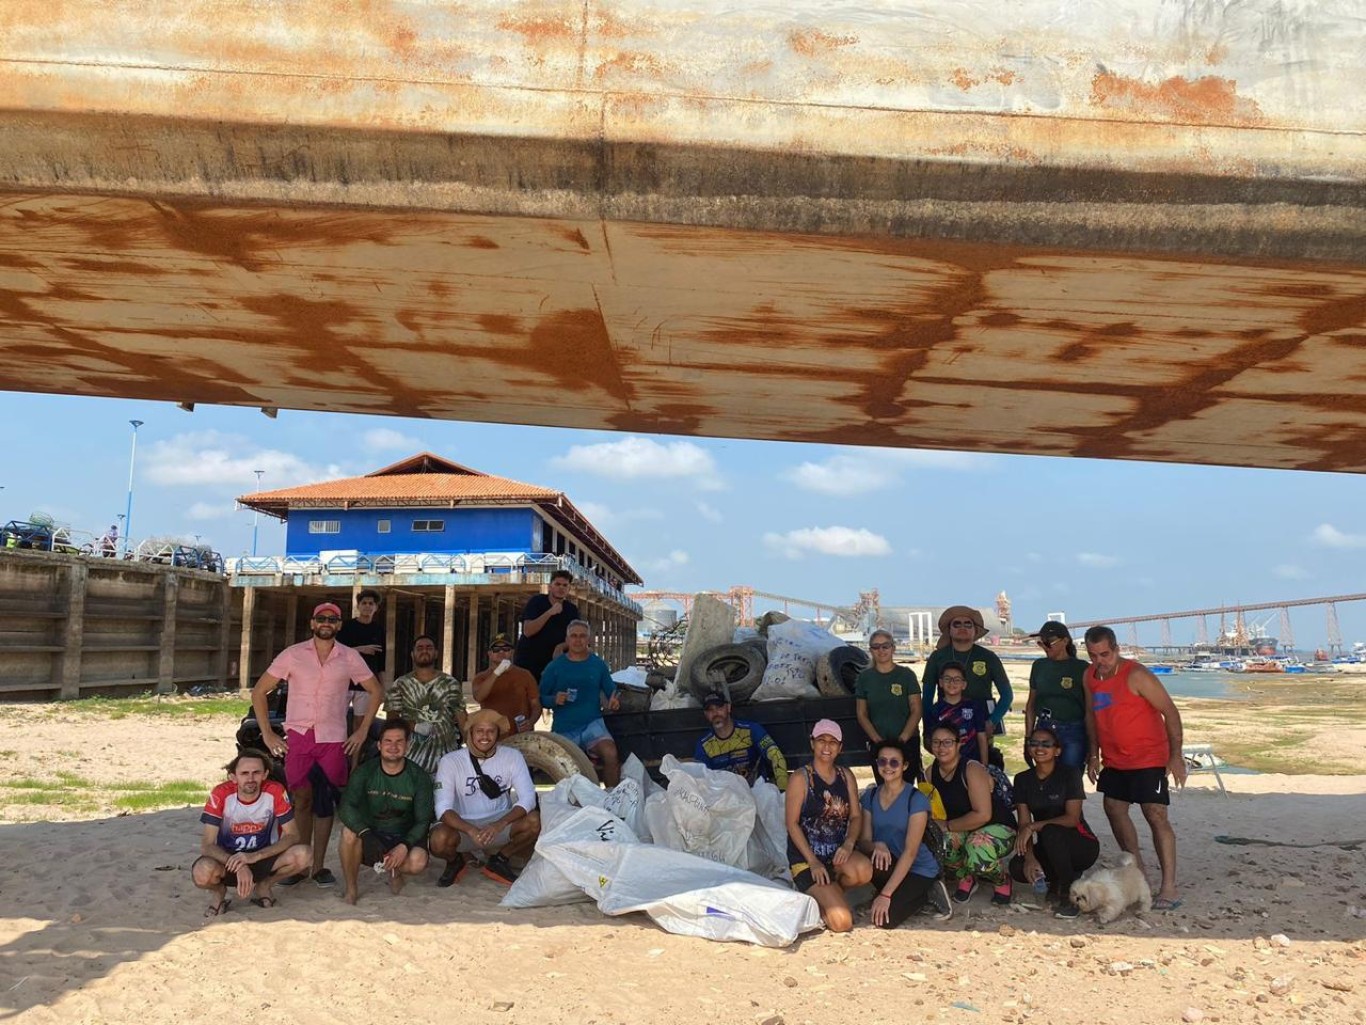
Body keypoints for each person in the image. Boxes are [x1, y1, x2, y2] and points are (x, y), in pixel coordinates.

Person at [251, 601, 383, 887]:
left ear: (338, 625)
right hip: (299, 737)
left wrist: (360, 733)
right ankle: (301, 863)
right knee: (301, 799)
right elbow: (260, 691)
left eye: (332, 619)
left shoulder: (349, 657)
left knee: (325, 802)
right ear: (312, 623)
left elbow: (376, 691)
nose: (326, 623)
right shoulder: (293, 655)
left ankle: (319, 867)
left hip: (333, 738)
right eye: (321, 618)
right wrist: (267, 734)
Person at [1083, 625, 1186, 911]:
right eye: (1093, 655)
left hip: (1149, 757)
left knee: (1155, 815)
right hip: (1115, 760)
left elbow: (1170, 712)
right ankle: (1137, 872)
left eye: (1104, 654)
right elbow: (1091, 715)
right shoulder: (1089, 676)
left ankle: (1169, 887)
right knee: (1114, 808)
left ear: (1116, 649)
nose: (1099, 661)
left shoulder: (1136, 675)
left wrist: (1175, 756)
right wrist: (1094, 755)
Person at [193, 749, 311, 916]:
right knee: (201, 872)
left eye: (256, 773)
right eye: (244, 773)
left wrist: (255, 856)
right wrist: (239, 864)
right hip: (227, 861)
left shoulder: (275, 791)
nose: (250, 778)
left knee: (304, 854)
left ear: (265, 774)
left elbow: (293, 835)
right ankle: (219, 892)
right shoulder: (221, 794)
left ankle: (265, 885)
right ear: (233, 777)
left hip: (263, 857)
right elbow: (207, 845)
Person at [430, 708, 541, 887]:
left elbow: (528, 799)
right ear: (470, 733)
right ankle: (455, 861)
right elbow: (442, 809)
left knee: (534, 820)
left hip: (499, 823)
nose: (485, 736)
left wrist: (499, 825)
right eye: (479, 731)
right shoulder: (450, 761)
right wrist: (471, 830)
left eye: (491, 731)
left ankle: (500, 859)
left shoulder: (512, 757)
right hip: (463, 825)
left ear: (498, 734)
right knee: (438, 840)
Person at [784, 719, 872, 933]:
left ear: (840, 747)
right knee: (842, 923)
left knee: (863, 870)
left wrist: (849, 844)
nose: (827, 746)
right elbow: (791, 823)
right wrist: (813, 862)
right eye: (821, 740)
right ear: (812, 743)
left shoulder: (846, 776)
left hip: (835, 855)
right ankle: (819, 896)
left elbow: (855, 817)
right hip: (807, 860)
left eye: (833, 742)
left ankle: (831, 894)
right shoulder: (801, 778)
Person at [337, 719, 434, 904]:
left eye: (399, 741)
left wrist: (405, 845)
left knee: (418, 861)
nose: (393, 746)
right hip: (372, 833)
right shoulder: (365, 771)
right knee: (348, 833)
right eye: (388, 741)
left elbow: (423, 820)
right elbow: (346, 806)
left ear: (408, 745)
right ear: (379, 745)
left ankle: (396, 871)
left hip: (403, 834)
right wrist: (365, 834)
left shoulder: (419, 777)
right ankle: (351, 888)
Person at [857, 738, 952, 927]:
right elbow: (864, 841)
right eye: (882, 761)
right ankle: (895, 891)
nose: (887, 766)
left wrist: (886, 895)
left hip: (918, 868)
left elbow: (911, 852)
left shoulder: (916, 800)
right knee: (870, 858)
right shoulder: (871, 796)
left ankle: (927, 893)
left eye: (894, 762)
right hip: (889, 861)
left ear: (905, 765)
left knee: (886, 920)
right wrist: (878, 844)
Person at [1010, 725, 1100, 919]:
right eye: (1033, 743)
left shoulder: (1070, 774)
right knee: (1017, 867)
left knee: (1051, 830)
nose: (1039, 748)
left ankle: (1069, 894)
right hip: (1050, 847)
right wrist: (1030, 858)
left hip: (1081, 845)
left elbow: (1072, 818)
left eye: (1046, 744)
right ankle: (1059, 879)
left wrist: (1035, 826)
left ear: (1057, 750)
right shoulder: (1022, 779)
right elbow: (1024, 823)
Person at [926, 723, 1017, 906]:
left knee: (977, 850)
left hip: (995, 825)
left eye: (947, 742)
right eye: (936, 742)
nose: (941, 747)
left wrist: (948, 826)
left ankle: (1001, 880)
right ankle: (966, 877)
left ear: (959, 744)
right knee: (940, 842)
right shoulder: (930, 773)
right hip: (963, 827)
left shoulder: (972, 769)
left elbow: (983, 814)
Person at [539, 620, 622, 787]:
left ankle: (613, 798)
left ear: (589, 639)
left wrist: (614, 700)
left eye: (582, 636)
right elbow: (540, 697)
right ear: (567, 640)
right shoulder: (555, 667)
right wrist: (553, 699)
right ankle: (571, 803)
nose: (578, 640)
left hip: (593, 725)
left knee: (611, 753)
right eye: (574, 636)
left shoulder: (597, 664)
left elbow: (612, 690)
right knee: (564, 766)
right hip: (564, 728)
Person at [921, 606, 1013, 737]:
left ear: (975, 630)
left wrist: (992, 721)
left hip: (981, 725)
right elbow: (927, 699)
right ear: (949, 630)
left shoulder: (989, 657)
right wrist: (928, 731)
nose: (962, 627)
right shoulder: (937, 657)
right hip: (946, 724)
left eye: (968, 624)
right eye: (957, 624)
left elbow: (1007, 695)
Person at [388, 635, 466, 774]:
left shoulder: (450, 683)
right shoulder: (401, 684)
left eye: (429, 648)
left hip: (445, 759)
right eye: (420, 648)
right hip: (411, 760)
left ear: (436, 653)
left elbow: (461, 718)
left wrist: (471, 749)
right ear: (412, 654)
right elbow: (391, 719)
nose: (424, 651)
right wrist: (414, 726)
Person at [854, 630, 923, 777]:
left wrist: (902, 740)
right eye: (876, 647)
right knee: (883, 790)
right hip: (878, 744)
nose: (881, 650)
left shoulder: (906, 675)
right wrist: (877, 740)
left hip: (907, 742)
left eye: (885, 646)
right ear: (871, 650)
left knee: (907, 787)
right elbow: (862, 713)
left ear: (893, 648)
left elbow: (916, 710)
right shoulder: (865, 678)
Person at [1025, 621, 1091, 770]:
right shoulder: (1039, 666)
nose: (1045, 647)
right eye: (1041, 643)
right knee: (1045, 778)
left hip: (1073, 730)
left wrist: (1092, 748)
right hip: (1043, 727)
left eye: (1049, 642)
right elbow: (1031, 705)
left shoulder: (1082, 668)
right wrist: (1028, 739)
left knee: (1070, 781)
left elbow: (1090, 710)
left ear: (1065, 641)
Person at [694, 691, 789, 789]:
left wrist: (783, 791)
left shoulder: (751, 730)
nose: (715, 713)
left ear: (728, 708)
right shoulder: (703, 744)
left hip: (757, 793)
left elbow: (775, 755)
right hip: (725, 798)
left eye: (719, 708)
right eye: (710, 710)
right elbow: (702, 778)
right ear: (705, 714)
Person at [514, 570, 580, 681]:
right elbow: (528, 631)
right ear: (550, 586)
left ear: (569, 589)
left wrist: (562, 646)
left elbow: (576, 637)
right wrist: (549, 613)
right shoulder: (537, 601)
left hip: (554, 666)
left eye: (565, 585)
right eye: (557, 584)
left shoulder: (571, 610)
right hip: (528, 664)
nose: (561, 588)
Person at [471, 633, 541, 733]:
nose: (501, 652)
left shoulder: (525, 675)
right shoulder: (481, 677)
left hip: (520, 735)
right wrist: (497, 672)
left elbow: (536, 705)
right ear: (490, 654)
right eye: (496, 649)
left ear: (512, 652)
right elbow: (479, 696)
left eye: (506, 649)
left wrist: (531, 722)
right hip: (492, 736)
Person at [926, 662, 991, 764]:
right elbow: (929, 741)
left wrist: (984, 765)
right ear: (941, 682)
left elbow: (981, 736)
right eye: (947, 679)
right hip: (945, 764)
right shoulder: (934, 710)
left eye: (957, 679)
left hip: (972, 762)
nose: (952, 683)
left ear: (964, 685)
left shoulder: (974, 707)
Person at [337, 589, 386, 717]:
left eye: (371, 603)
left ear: (376, 607)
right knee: (337, 719)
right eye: (364, 603)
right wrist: (359, 649)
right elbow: (335, 652)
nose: (367, 606)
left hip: (367, 684)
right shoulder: (346, 627)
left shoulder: (379, 630)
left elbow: (380, 662)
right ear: (358, 606)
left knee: (361, 721)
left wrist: (381, 688)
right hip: (344, 682)